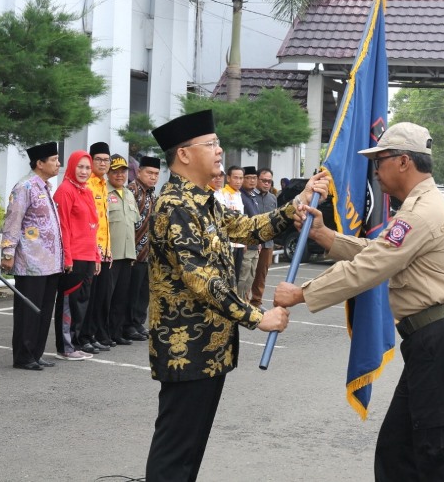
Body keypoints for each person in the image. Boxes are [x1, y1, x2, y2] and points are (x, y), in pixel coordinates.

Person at [274, 122, 444, 481]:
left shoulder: (420, 212)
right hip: (433, 339)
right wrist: (327, 236)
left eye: (379, 161)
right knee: (398, 450)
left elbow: (371, 266)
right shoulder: (419, 206)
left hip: (440, 338)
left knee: (438, 452)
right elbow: (380, 252)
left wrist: (302, 293)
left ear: (402, 162)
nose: (376, 171)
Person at [144, 109, 328, 482]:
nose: (219, 150)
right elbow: (202, 280)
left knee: (189, 451)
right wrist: (258, 318)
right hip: (186, 350)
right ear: (183, 154)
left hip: (208, 350)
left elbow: (246, 228)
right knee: (175, 452)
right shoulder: (174, 206)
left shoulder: (202, 200)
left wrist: (297, 204)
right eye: (210, 144)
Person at [0, 142, 63, 371]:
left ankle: (36, 353)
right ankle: (24, 356)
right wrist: (8, 252)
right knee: (29, 310)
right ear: (40, 163)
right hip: (31, 262)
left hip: (50, 263)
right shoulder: (25, 186)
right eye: (54, 160)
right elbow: (13, 221)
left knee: (44, 311)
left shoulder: (45, 187)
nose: (58, 164)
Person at [53, 150, 101, 361]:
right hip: (73, 256)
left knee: (82, 302)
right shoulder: (65, 190)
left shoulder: (87, 191)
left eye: (87, 167)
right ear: (72, 167)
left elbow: (93, 226)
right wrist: (67, 257)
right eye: (80, 167)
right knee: (69, 302)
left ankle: (76, 342)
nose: (84, 171)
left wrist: (97, 255)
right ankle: (66, 346)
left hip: (88, 256)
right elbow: (62, 226)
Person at [106, 155, 141, 345]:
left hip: (127, 254)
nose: (120, 175)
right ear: (108, 173)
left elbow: (132, 224)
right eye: (115, 171)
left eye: (123, 171)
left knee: (121, 297)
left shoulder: (128, 194)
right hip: (111, 255)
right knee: (107, 298)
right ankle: (103, 333)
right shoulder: (103, 192)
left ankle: (116, 332)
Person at [124, 155, 160, 341]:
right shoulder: (132, 190)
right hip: (134, 251)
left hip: (149, 252)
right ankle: (127, 324)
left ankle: (138, 322)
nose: (153, 177)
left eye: (156, 174)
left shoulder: (153, 193)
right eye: (149, 173)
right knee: (131, 290)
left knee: (143, 291)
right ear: (139, 172)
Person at [84, 141, 113, 353]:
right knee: (89, 297)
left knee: (100, 297)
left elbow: (105, 221)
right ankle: (83, 336)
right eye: (99, 160)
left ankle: (92, 334)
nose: (103, 163)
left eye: (106, 160)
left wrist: (108, 249)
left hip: (104, 251)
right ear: (91, 160)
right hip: (90, 252)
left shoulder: (103, 185)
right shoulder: (87, 184)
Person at [250, 167, 278, 309]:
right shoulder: (249, 196)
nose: (267, 184)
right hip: (251, 243)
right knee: (247, 274)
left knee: (261, 275)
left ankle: (256, 302)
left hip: (268, 243)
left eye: (269, 181)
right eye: (264, 180)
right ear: (257, 179)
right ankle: (243, 302)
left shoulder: (273, 198)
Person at [217, 164, 246, 283]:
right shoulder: (223, 193)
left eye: (241, 178)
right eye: (235, 178)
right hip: (227, 243)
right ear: (228, 178)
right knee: (227, 278)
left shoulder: (239, 194)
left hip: (239, 242)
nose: (238, 181)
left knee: (236, 277)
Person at [238, 165, 262, 301]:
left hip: (255, 244)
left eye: (254, 178)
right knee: (242, 277)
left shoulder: (253, 196)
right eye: (248, 178)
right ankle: (239, 304)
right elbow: (241, 222)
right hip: (245, 244)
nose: (252, 181)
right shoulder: (240, 196)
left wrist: (259, 241)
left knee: (251, 277)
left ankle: (245, 303)